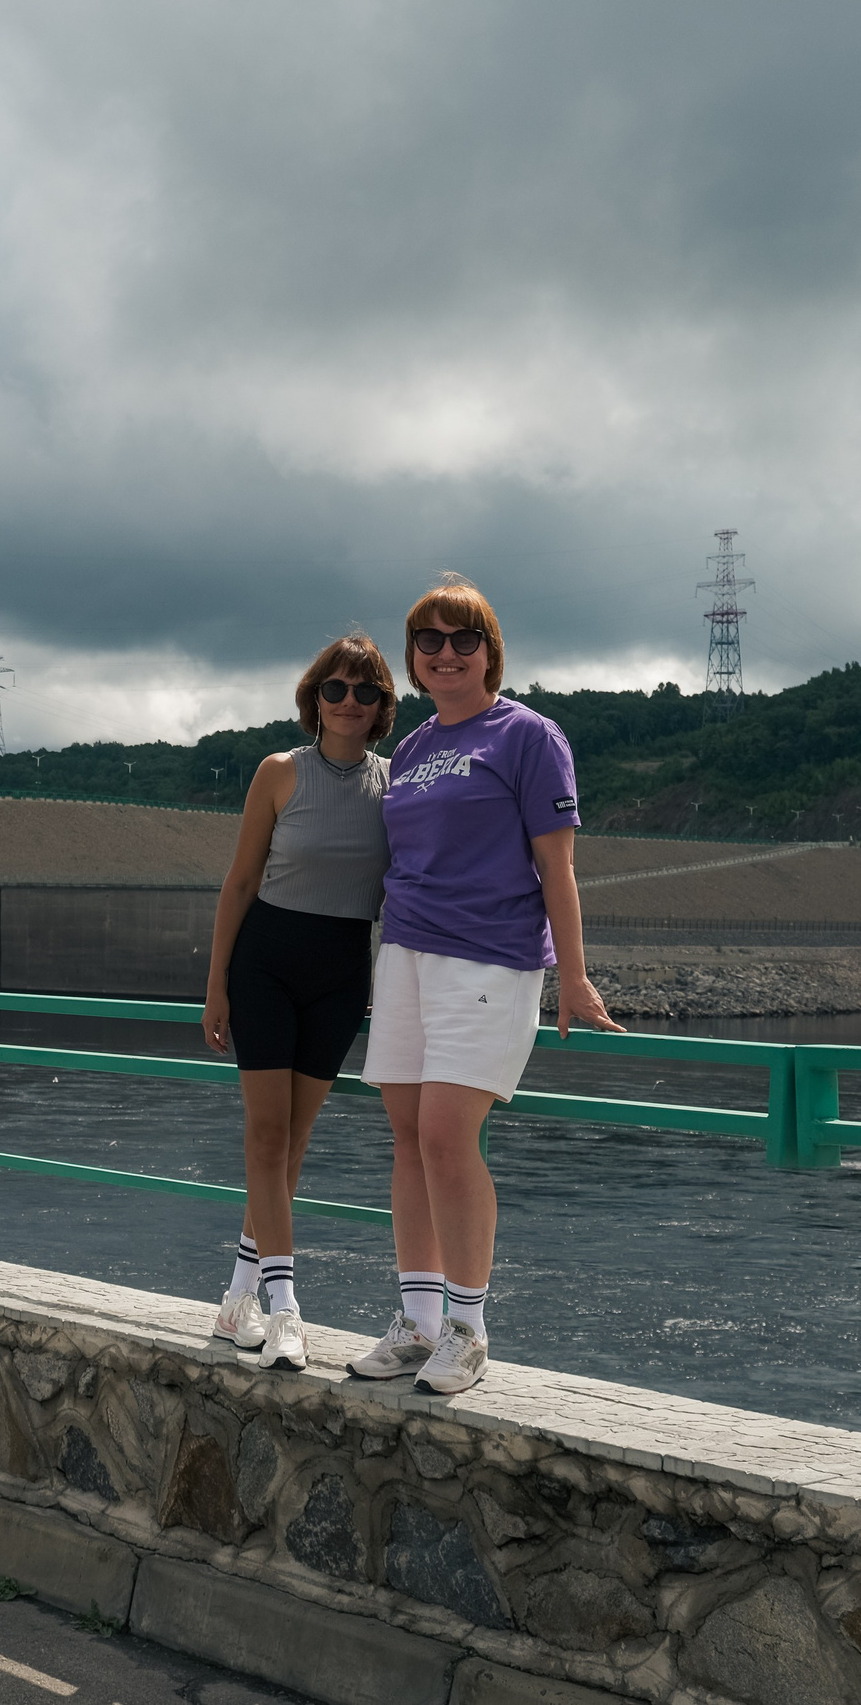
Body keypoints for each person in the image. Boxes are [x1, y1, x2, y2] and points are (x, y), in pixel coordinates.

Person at [346, 575, 622, 1395]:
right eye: (428, 641)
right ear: (413, 659)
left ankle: (467, 1328)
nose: (446, 653)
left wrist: (574, 975)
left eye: (463, 639)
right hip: (406, 955)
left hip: (490, 958)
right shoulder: (413, 750)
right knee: (407, 1136)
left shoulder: (530, 736)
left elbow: (557, 867)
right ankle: (418, 1322)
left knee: (444, 1135)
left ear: (489, 651)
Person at [201, 633, 396, 1372]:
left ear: (381, 707)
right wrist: (216, 985)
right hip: (266, 967)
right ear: (315, 697)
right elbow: (240, 883)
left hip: (342, 974)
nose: (348, 701)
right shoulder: (279, 772)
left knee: (295, 1143)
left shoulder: (395, 784)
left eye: (364, 691)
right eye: (335, 688)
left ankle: (237, 1296)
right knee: (267, 1135)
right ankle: (284, 1307)